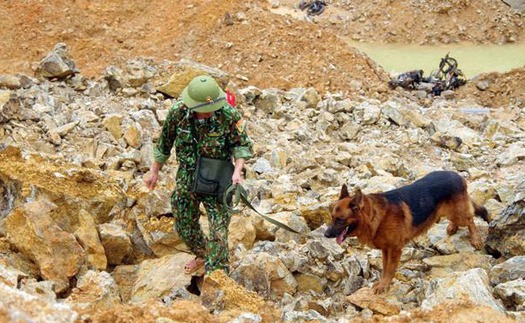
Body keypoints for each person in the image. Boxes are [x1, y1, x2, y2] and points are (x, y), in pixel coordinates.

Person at [144, 75, 253, 275]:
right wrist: (154, 171)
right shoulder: (178, 112)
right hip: (188, 176)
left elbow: (241, 145)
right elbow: (165, 143)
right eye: (202, 112)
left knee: (219, 232)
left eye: (209, 111)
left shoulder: (228, 115)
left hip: (217, 178)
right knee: (184, 223)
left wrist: (237, 173)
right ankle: (203, 254)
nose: (206, 115)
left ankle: (218, 278)